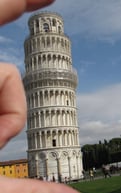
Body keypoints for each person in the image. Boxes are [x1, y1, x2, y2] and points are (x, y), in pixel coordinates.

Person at [0, 0, 79, 193]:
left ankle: (73, 173)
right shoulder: (32, 46)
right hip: (41, 132)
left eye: (52, 24)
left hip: (60, 116)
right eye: (42, 25)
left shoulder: (61, 45)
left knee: (58, 129)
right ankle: (64, 175)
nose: (45, 29)